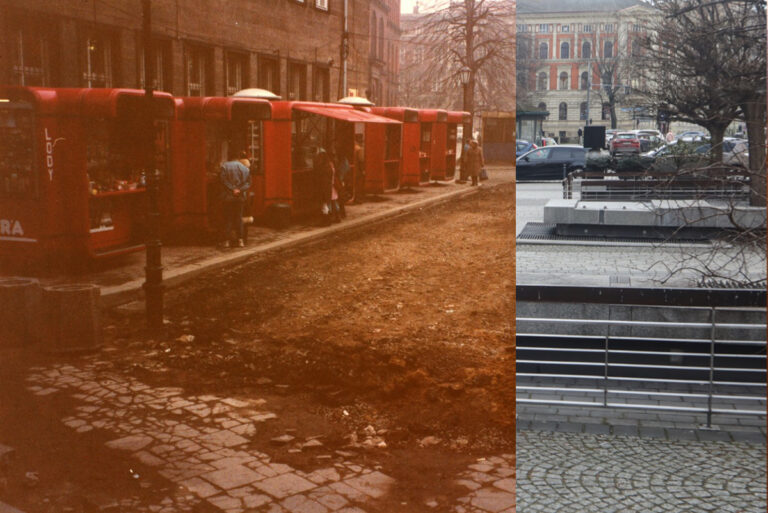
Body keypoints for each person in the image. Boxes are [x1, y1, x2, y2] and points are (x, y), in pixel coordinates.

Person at [219, 155, 251, 248]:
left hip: (228, 197)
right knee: (239, 218)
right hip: (240, 197)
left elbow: (223, 180)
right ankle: (240, 241)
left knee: (228, 218)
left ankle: (226, 241)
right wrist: (239, 190)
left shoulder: (224, 166)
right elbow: (248, 183)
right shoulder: (245, 168)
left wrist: (232, 189)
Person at [352, 133, 366, 203]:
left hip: (353, 169)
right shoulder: (359, 149)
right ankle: (358, 199)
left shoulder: (353, 147)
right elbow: (361, 160)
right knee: (358, 185)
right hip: (358, 170)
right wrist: (363, 170)